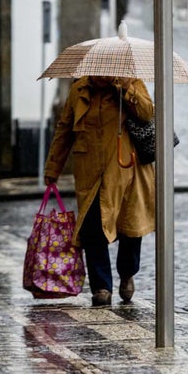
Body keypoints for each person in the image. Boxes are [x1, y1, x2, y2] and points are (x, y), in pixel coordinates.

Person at [44, 75, 155, 306]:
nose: (101, 76)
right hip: (91, 173)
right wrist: (53, 168)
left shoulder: (130, 83)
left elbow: (147, 113)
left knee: (130, 229)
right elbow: (64, 130)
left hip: (127, 170)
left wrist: (127, 90)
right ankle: (102, 287)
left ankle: (127, 273)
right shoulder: (79, 90)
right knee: (92, 229)